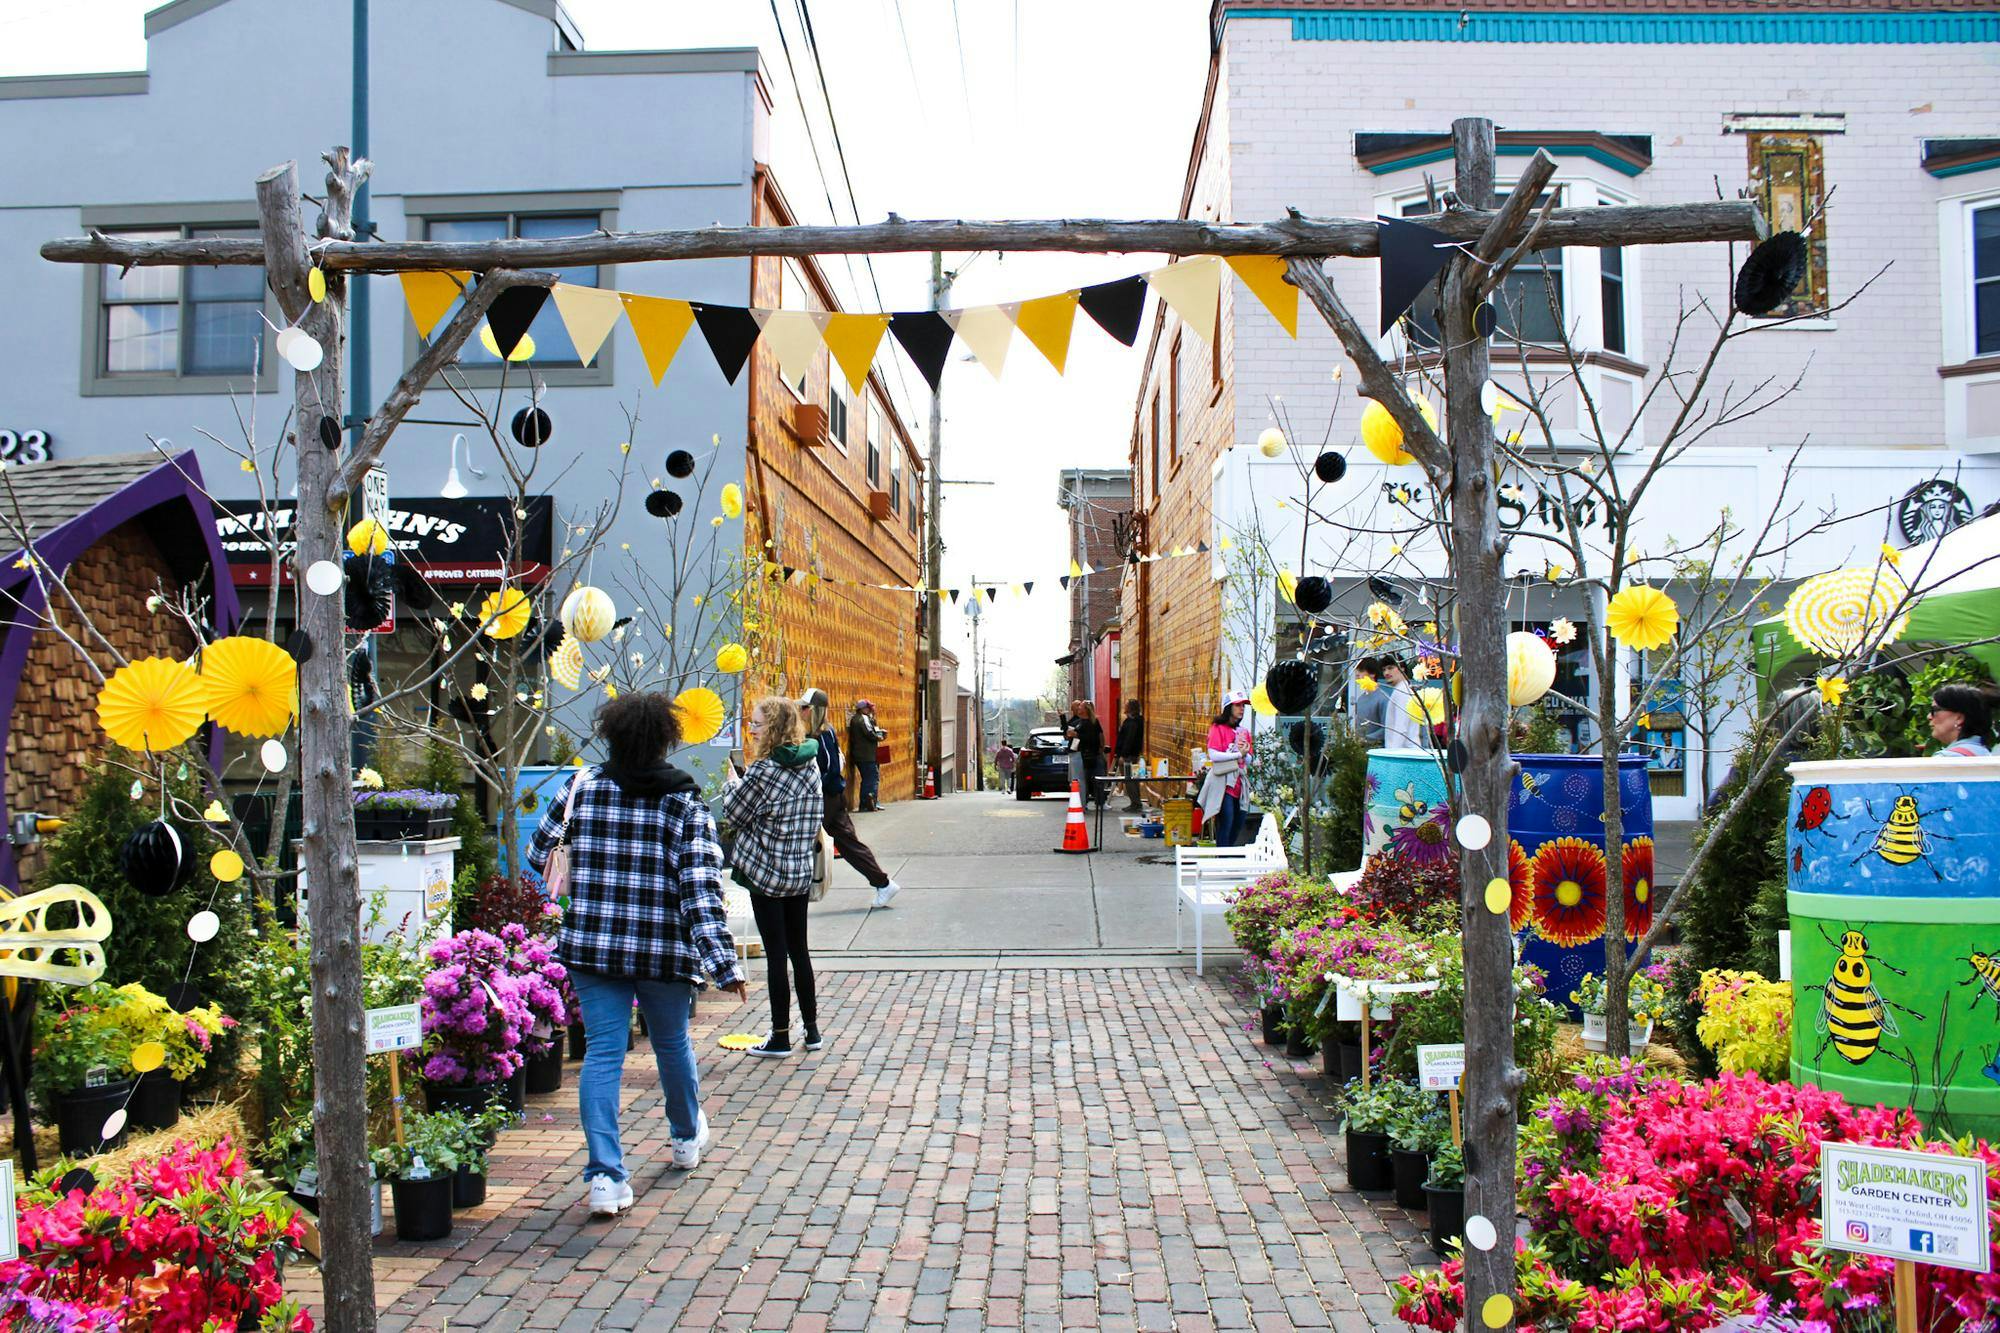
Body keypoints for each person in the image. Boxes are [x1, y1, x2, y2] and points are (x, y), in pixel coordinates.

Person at [527, 693, 747, 1218]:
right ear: (666, 739)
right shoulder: (683, 802)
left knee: (603, 1053)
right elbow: (700, 890)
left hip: (592, 946)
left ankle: (605, 1176)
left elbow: (539, 853)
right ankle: (686, 1136)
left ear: (613, 735)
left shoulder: (581, 788)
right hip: (662, 949)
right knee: (672, 1043)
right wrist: (724, 965)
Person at [722, 697, 828, 1057]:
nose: (751, 729)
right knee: (800, 951)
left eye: (756, 724)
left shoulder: (764, 770)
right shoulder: (810, 764)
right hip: (798, 870)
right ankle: (812, 1031)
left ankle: (780, 1035)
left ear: (773, 728)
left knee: (775, 955)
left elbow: (734, 814)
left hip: (766, 872)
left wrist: (730, 784)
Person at [801, 688, 902, 908]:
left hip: (825, 798)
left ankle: (792, 894)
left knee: (804, 842)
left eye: (804, 707)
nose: (801, 712)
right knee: (847, 844)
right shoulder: (823, 731)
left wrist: (815, 789)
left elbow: (829, 767)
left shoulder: (821, 734)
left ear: (812, 710)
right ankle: (882, 883)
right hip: (831, 796)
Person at [1199, 690, 1253, 846]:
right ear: (1228, 707)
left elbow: (1249, 759)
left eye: (1243, 705)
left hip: (1239, 783)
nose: (1242, 708)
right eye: (1238, 705)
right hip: (1223, 782)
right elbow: (1213, 754)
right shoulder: (1218, 728)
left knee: (1239, 820)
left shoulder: (1244, 732)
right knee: (1226, 820)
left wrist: (1245, 752)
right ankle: (1222, 857)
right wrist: (1237, 755)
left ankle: (1227, 855)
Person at [1930, 683, 1995, 757]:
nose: (1929, 716)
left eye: (1934, 710)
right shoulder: (1985, 753)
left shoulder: (1946, 758)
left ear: (1959, 718)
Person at [1379, 656, 1427, 750]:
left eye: (1390, 668)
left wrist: (1393, 754)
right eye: (1384, 669)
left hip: (1404, 752)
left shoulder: (1403, 691)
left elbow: (1401, 727)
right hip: (1405, 751)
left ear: (1402, 668)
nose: (1386, 673)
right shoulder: (1401, 689)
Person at [1066, 700, 1108, 808]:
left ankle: (1099, 802)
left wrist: (1077, 735)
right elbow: (1067, 730)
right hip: (1080, 754)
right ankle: (1082, 803)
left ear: (1085, 710)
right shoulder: (1079, 722)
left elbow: (1094, 738)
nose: (1078, 708)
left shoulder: (1092, 722)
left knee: (1095, 780)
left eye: (1081, 706)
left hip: (1090, 755)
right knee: (1082, 780)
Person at [846, 700, 886, 811]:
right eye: (868, 708)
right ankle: (867, 803)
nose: (870, 710)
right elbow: (870, 734)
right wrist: (880, 736)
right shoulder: (863, 718)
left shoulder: (856, 719)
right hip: (867, 755)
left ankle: (869, 802)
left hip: (860, 754)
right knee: (871, 778)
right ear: (863, 709)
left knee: (867, 778)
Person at [1115, 700, 1147, 813]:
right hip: (1133, 754)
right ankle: (1135, 802)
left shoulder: (1132, 722)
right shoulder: (1136, 721)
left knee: (1130, 780)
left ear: (1131, 708)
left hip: (1128, 755)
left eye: (1126, 705)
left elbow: (1129, 739)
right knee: (1133, 779)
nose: (1124, 706)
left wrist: (1123, 754)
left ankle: (1135, 803)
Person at [1353, 656, 1390, 748]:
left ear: (1372, 674)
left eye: (1361, 671)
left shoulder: (1382, 698)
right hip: (1359, 751)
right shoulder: (1361, 699)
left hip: (1376, 751)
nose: (1357, 674)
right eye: (1357, 671)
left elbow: (1387, 728)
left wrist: (1366, 739)